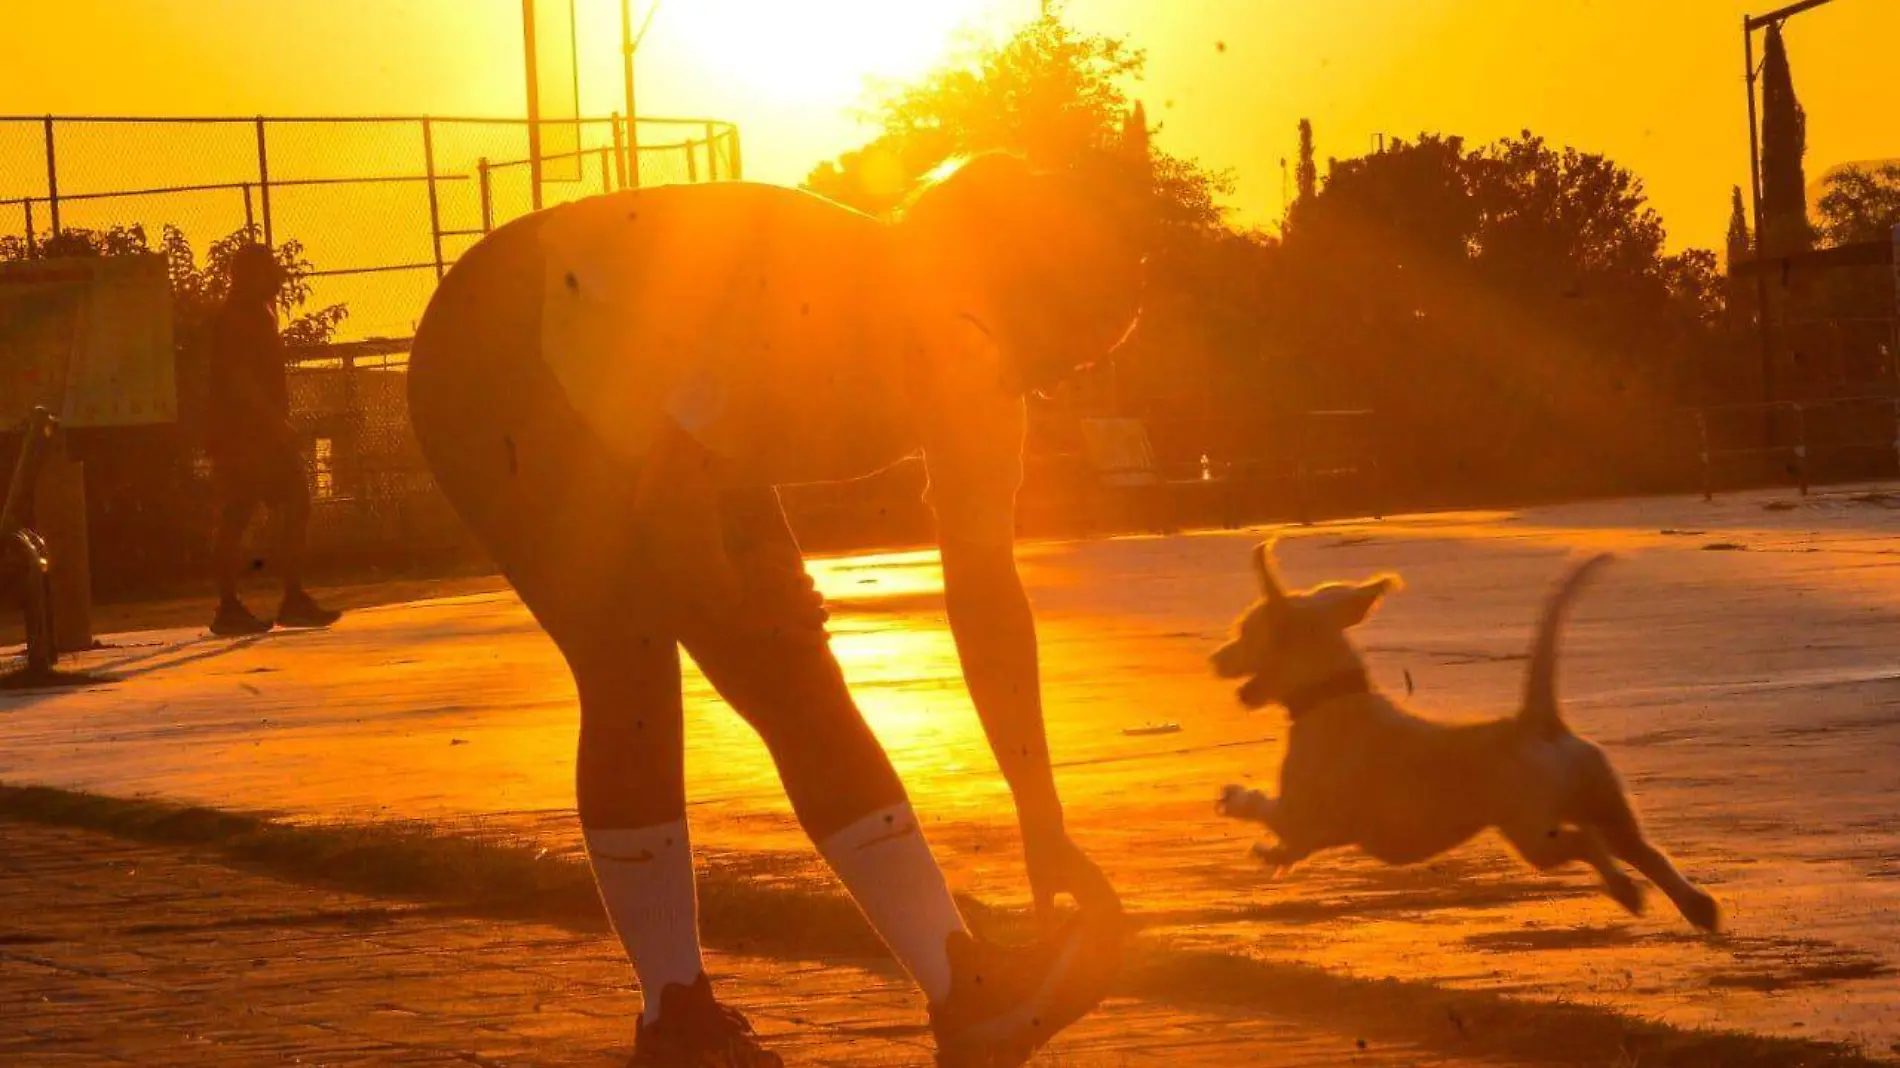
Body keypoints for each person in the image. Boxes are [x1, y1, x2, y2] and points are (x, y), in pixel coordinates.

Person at [406, 153, 1143, 1068]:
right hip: (511, 332)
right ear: (967, 274)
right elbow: (669, 483)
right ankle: (675, 1019)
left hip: (670, 410)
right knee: (629, 652)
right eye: (1040, 342)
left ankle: (968, 990)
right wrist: (727, 586)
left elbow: (987, 598)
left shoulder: (988, 387)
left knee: (791, 659)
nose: (1036, 381)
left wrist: (1046, 827)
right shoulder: (816, 288)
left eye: (1067, 363)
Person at [204, 243, 339, 636]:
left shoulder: (252, 315)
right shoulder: (240, 318)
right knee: (257, 511)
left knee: (262, 510)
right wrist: (274, 423)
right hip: (247, 436)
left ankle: (277, 599)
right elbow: (241, 380)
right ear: (249, 275)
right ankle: (243, 604)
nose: (278, 278)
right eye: (269, 271)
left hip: (250, 434)